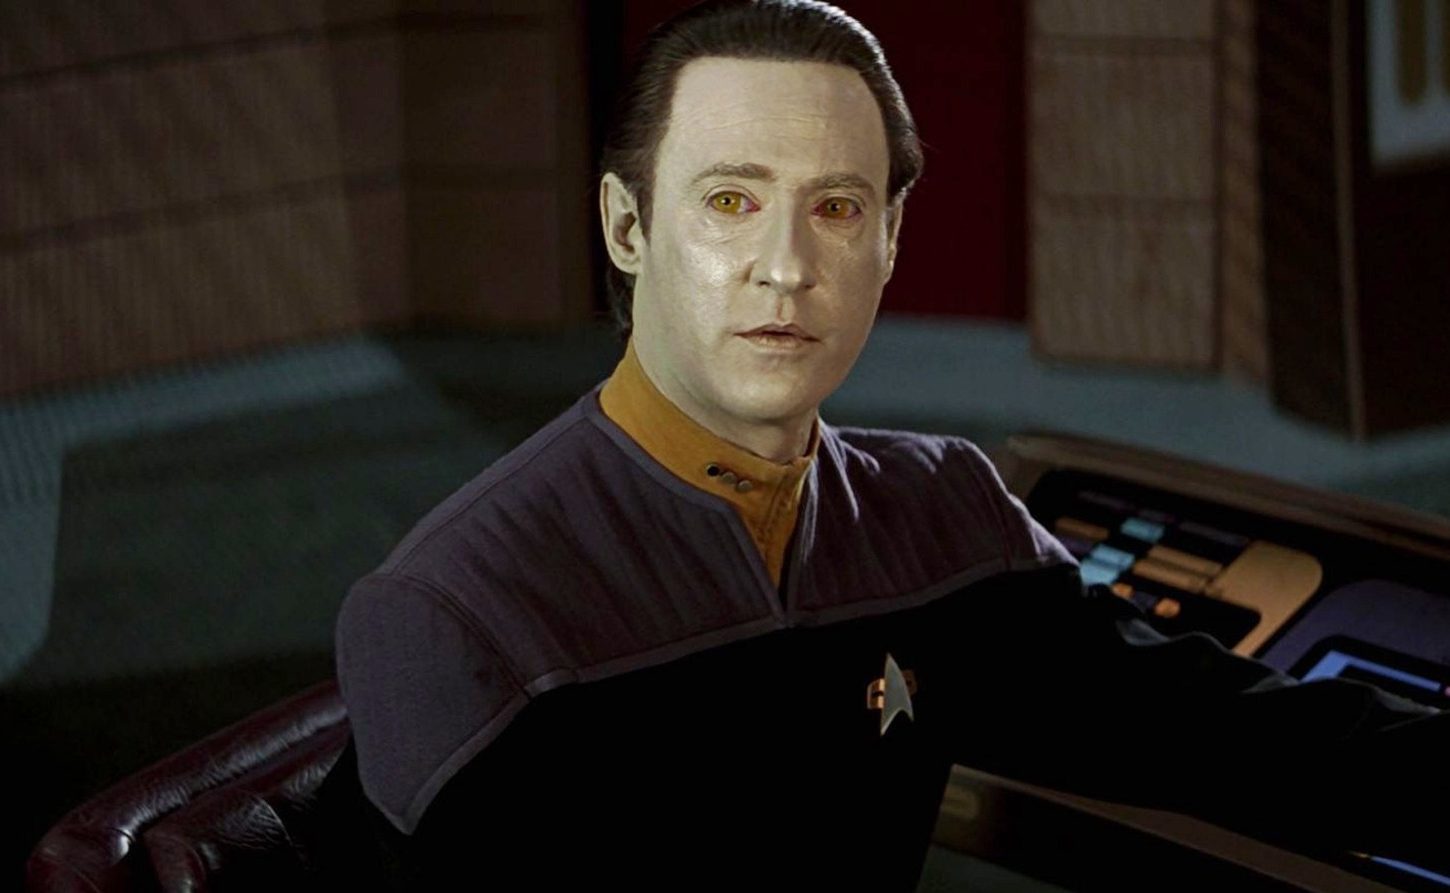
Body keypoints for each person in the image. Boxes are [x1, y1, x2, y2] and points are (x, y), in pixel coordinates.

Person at [311, 1, 1448, 888]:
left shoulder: (939, 516)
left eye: (838, 207)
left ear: (891, 239)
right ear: (626, 226)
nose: (787, 266)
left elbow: (1224, 733)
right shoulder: (456, 611)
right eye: (730, 201)